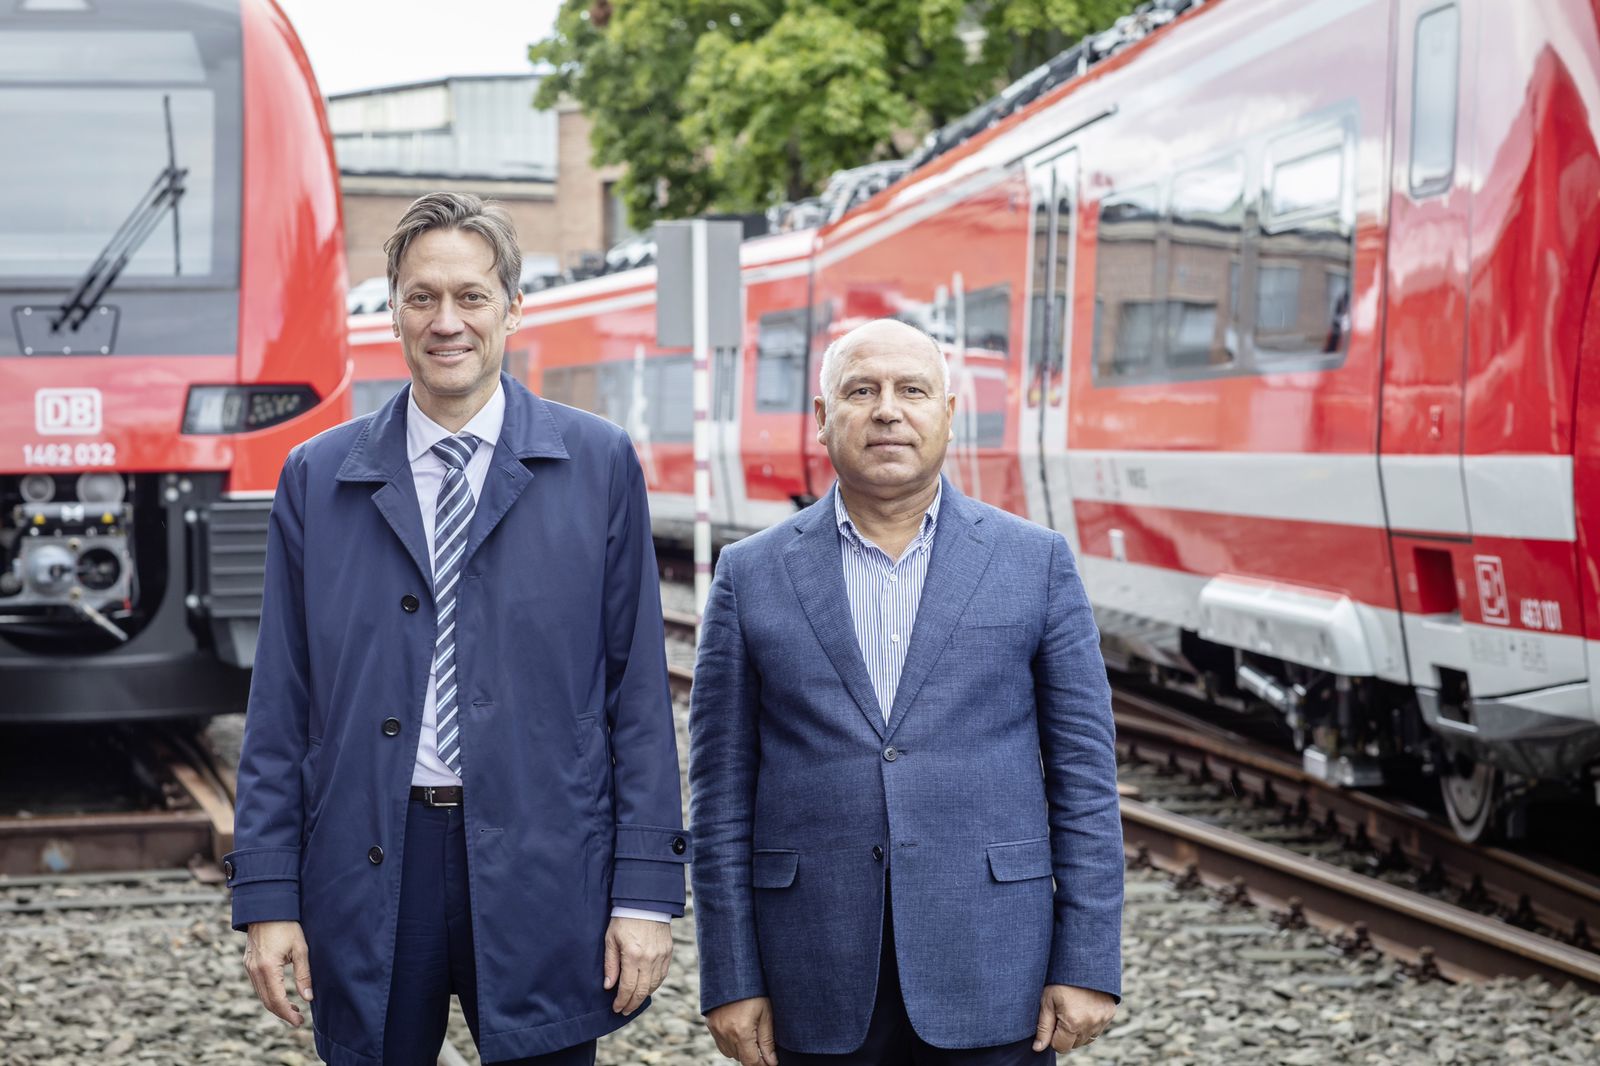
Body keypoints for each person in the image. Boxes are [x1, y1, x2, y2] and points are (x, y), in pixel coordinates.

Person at [225, 192, 690, 1066]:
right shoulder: (317, 478)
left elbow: (636, 698)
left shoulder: (596, 464)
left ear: (513, 308)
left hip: (547, 862)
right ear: (393, 311)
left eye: (472, 296)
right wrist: (268, 896)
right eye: (422, 297)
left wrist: (645, 894)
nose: (447, 321)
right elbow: (281, 704)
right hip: (369, 859)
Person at [689, 318, 1122, 1065]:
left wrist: (1086, 961)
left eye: (911, 391)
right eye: (862, 391)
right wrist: (730, 975)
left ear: (948, 414)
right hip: (810, 972)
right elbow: (720, 793)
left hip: (996, 968)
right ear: (822, 418)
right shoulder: (750, 573)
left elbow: (1085, 779)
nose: (888, 410)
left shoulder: (1035, 563)